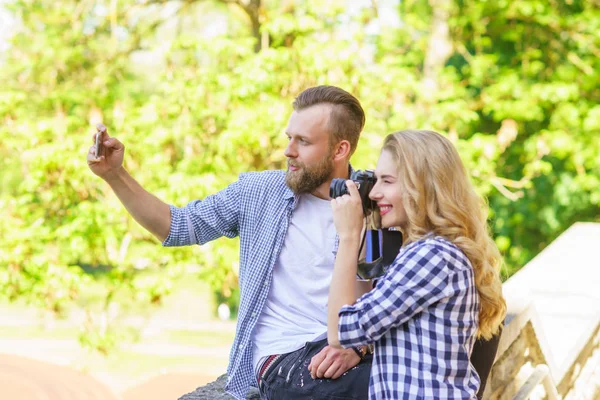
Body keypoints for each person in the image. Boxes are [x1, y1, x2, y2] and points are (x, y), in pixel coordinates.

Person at [87, 86, 373, 400]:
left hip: (353, 352)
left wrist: (359, 344)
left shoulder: (375, 205)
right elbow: (178, 226)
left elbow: (392, 292)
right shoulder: (257, 192)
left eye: (303, 142)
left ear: (339, 150)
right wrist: (115, 175)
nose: (288, 151)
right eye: (289, 137)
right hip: (286, 358)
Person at [327, 129, 506, 399]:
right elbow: (366, 316)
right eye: (375, 181)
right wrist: (368, 229)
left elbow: (341, 331)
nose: (374, 193)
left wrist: (348, 237)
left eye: (387, 181)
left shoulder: (431, 256)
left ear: (423, 187)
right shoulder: (428, 253)